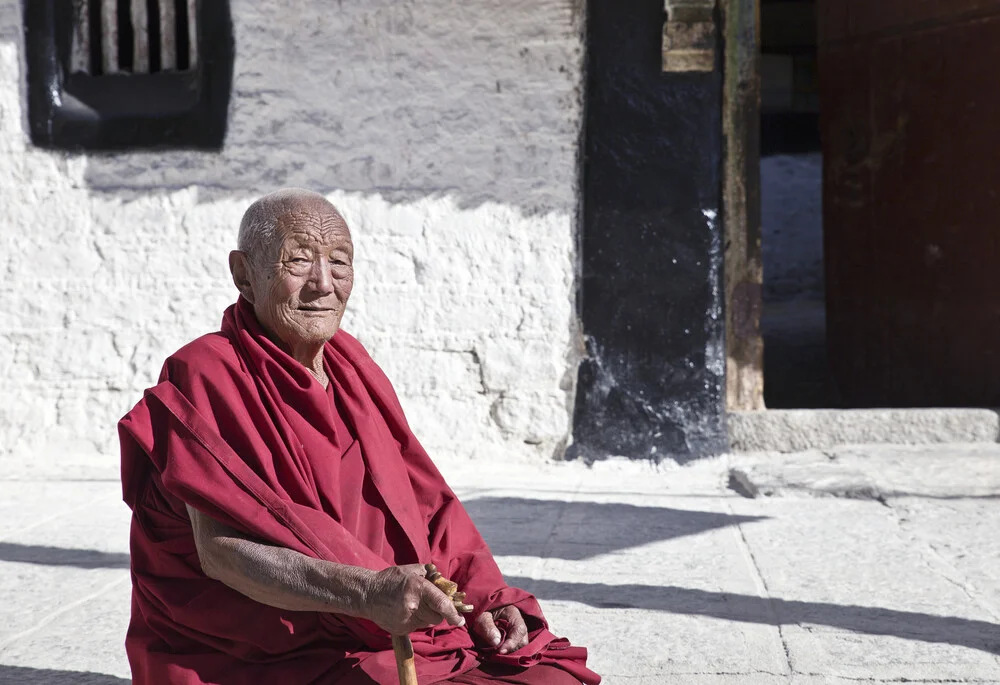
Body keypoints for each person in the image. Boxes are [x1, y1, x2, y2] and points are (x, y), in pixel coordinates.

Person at [119, 189, 599, 685]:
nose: (323, 284)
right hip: (270, 649)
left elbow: (428, 508)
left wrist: (482, 599)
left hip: (385, 623)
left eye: (340, 262)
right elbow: (220, 551)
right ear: (243, 274)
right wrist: (367, 594)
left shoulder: (352, 368)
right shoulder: (204, 373)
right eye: (299, 259)